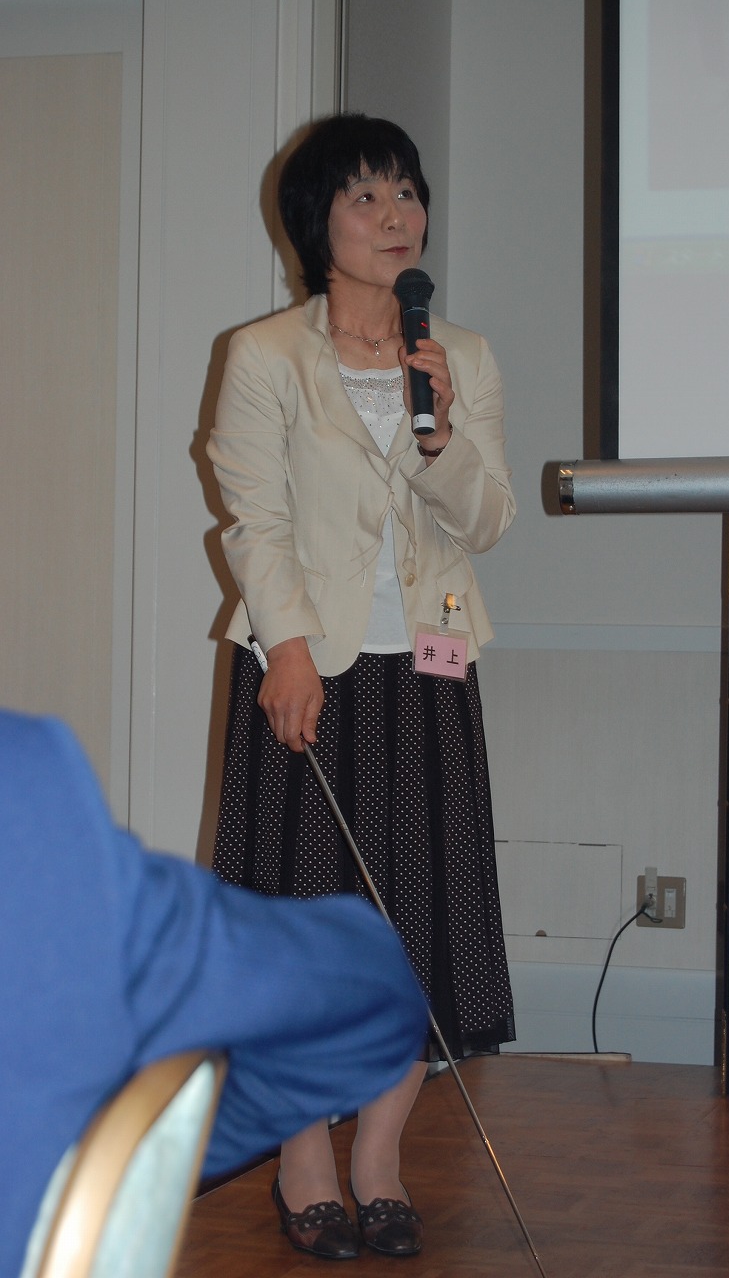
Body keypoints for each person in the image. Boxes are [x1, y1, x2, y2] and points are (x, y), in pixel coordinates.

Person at [207, 112, 516, 1259]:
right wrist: (285, 646)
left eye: (407, 193)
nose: (396, 216)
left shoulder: (460, 356)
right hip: (308, 668)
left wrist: (441, 441)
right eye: (366, 196)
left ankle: (378, 1159)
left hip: (428, 666)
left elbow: (486, 520)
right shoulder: (264, 354)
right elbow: (255, 518)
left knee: (413, 923)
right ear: (316, 222)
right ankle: (302, 1159)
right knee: (303, 929)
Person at [0, 709, 427, 1277]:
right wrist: (155, 1144)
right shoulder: (21, 775)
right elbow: (376, 989)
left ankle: (371, 1165)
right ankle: (303, 1161)